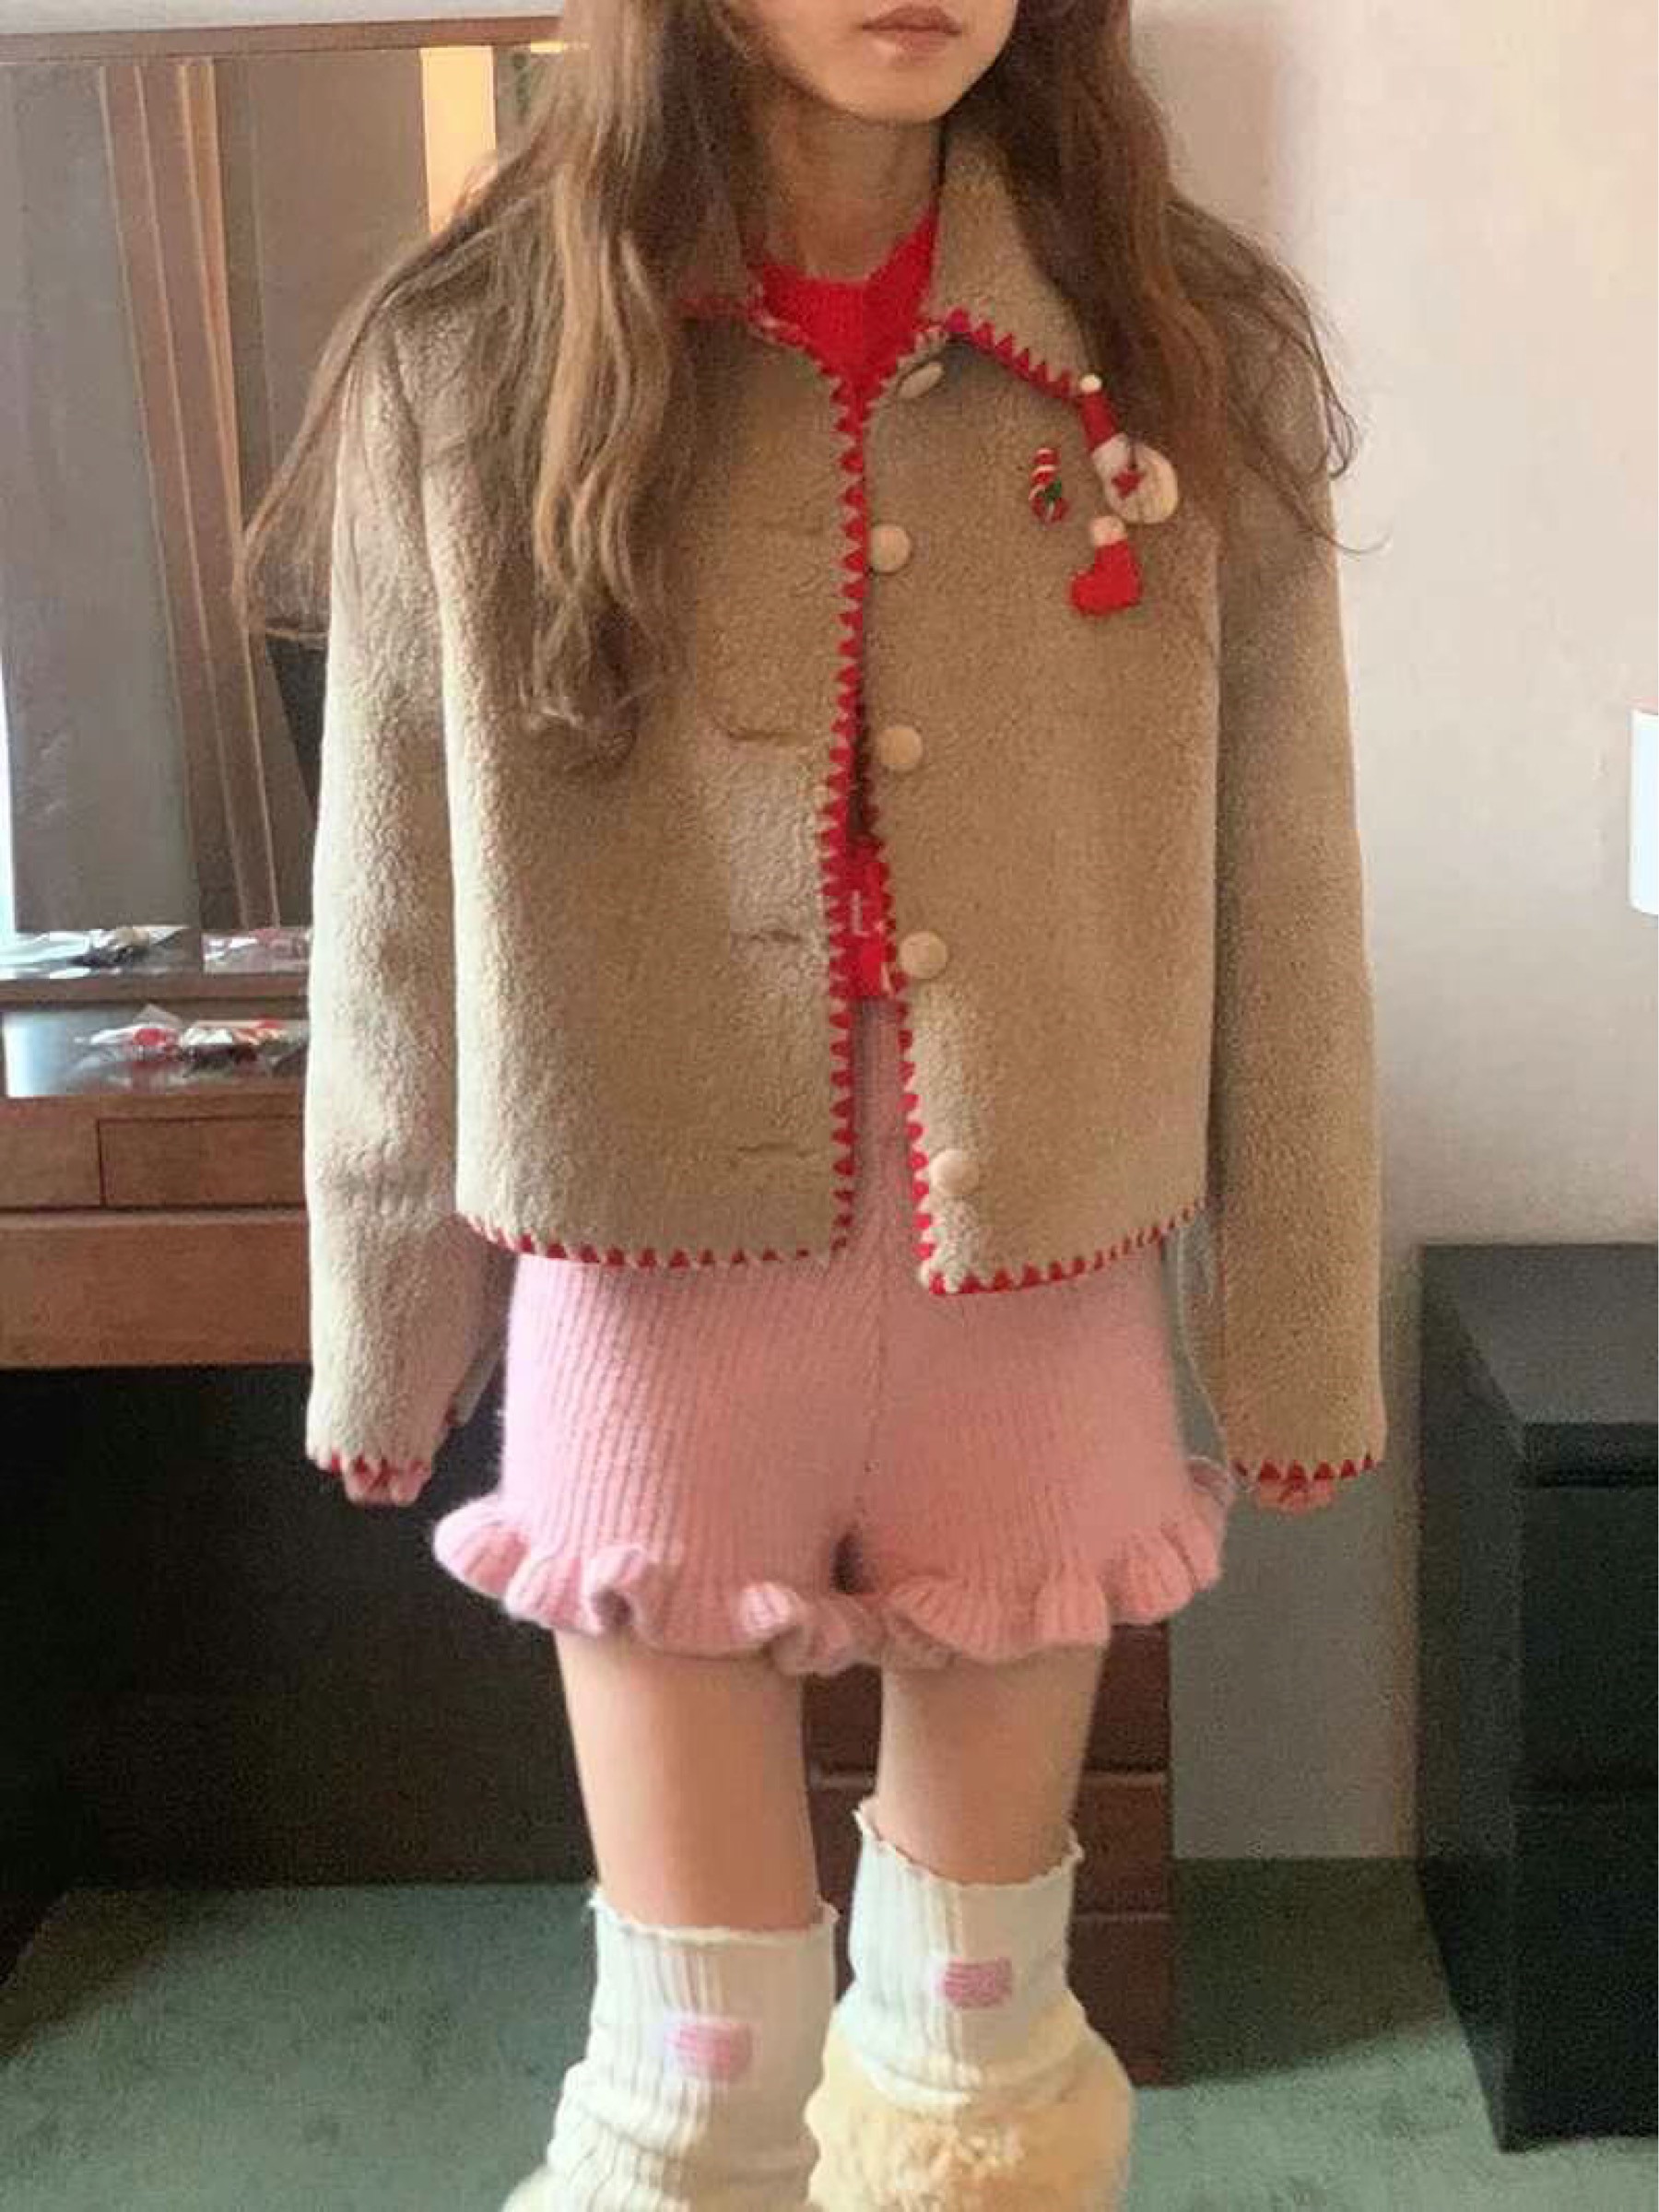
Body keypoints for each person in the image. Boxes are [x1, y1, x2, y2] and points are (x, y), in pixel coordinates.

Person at [240, 2, 1388, 2205]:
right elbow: (390, 898)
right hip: (648, 1281)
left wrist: (1294, 1333)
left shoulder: (1180, 340)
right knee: (694, 2086)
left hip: (1042, 1276)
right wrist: (385, 1319)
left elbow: (1286, 882)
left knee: (983, 2057)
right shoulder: (473, 357)